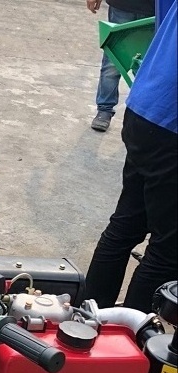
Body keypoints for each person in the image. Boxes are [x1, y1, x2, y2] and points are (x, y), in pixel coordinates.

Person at [85, 0, 177, 312]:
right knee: (168, 250)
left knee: (125, 225)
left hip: (146, 105)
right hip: (172, 122)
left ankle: (85, 320)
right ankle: (134, 345)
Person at [87, 0, 155, 132]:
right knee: (112, 62)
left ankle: (142, 114)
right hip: (122, 6)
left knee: (148, 66)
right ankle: (104, 110)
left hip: (155, 10)